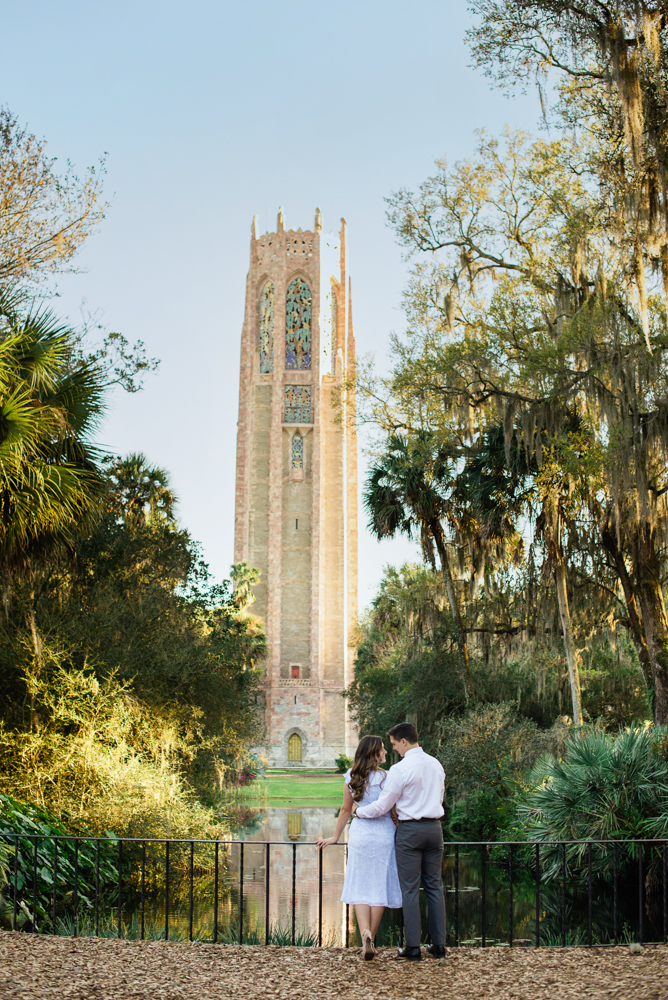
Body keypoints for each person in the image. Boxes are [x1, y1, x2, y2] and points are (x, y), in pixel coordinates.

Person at [352, 722, 446, 961]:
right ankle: (439, 946)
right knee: (434, 887)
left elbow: (383, 806)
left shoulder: (400, 769)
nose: (393, 749)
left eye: (394, 744)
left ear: (404, 741)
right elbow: (441, 796)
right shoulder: (435, 764)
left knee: (410, 889)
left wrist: (358, 812)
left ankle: (413, 948)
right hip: (435, 829)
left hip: (410, 831)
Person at [316, 734, 402, 960]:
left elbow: (345, 810)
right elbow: (393, 809)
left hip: (360, 834)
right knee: (379, 887)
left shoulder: (351, 777)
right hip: (383, 834)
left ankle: (365, 933)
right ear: (374, 753)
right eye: (382, 749)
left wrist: (335, 837)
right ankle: (370, 939)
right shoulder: (387, 776)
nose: (385, 752)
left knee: (361, 886)